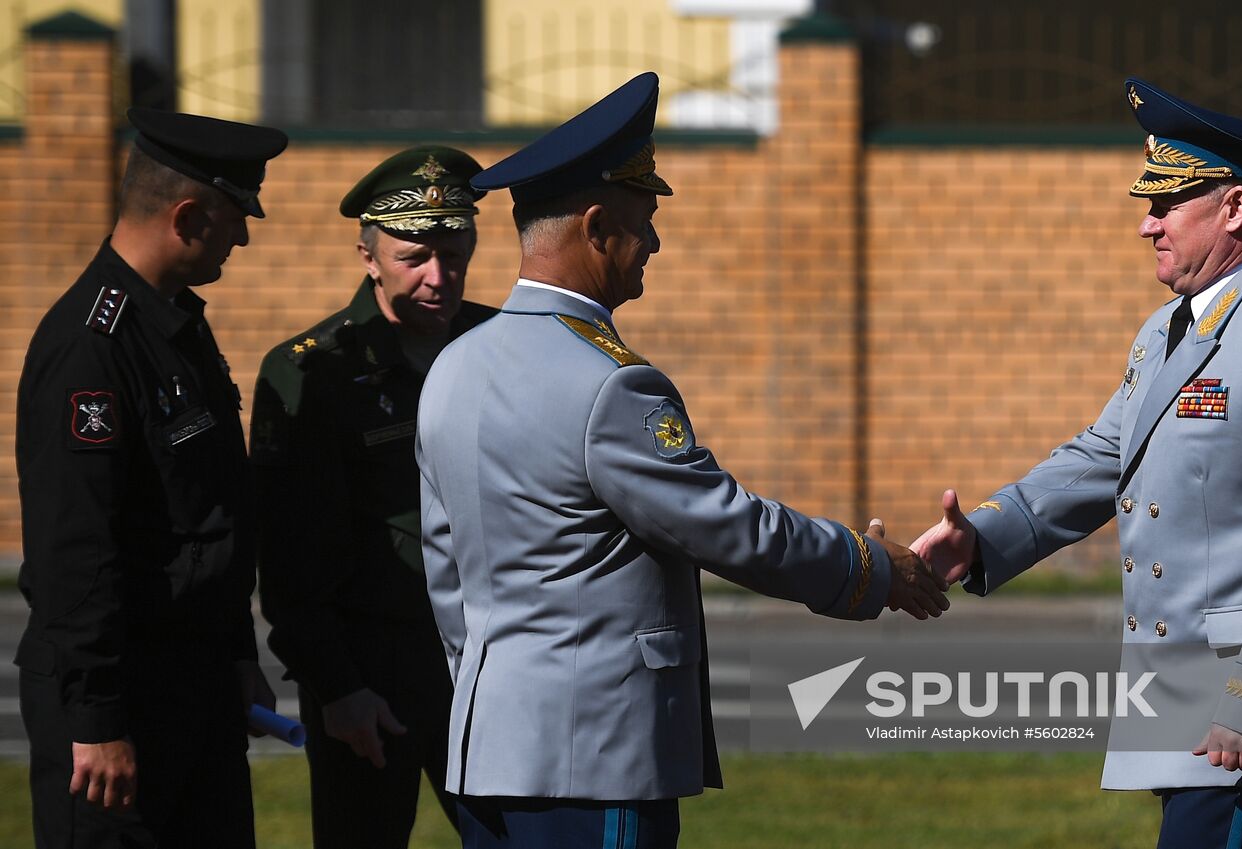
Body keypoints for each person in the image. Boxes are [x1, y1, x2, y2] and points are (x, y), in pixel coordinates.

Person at [416, 72, 947, 849]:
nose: (655, 243)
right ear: (596, 227)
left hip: (489, 752)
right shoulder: (610, 382)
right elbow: (727, 526)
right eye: (645, 219)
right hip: (594, 762)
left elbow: (446, 572)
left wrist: (499, 697)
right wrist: (867, 567)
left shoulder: (453, 366)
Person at [915, 78, 1242, 848]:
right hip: (1189, 695)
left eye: (1167, 204)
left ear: (1234, 207)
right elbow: (1107, 452)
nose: (1147, 225)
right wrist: (987, 534)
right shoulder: (1173, 324)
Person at [14, 108, 287, 848]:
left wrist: (236, 653)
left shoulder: (176, 328)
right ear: (189, 216)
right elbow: (76, 553)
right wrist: (97, 721)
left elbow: (209, 512)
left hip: (195, 682)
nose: (245, 236)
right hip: (124, 702)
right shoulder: (90, 349)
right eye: (238, 217)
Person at [251, 145, 496, 849]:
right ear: (368, 257)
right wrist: (336, 687)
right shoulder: (315, 371)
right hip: (369, 673)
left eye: (455, 254)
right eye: (414, 257)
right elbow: (289, 556)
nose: (438, 277)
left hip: (484, 666)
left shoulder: (496, 344)